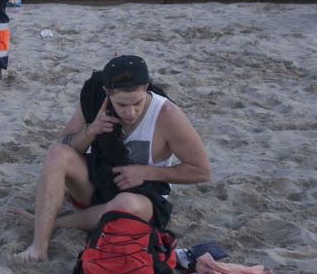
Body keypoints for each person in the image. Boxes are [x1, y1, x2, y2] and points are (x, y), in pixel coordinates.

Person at [12, 55, 211, 262]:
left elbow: (201, 170)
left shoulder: (167, 114)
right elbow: (62, 143)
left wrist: (146, 172)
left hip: (143, 197)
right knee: (56, 153)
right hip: (101, 180)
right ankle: (39, 247)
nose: (131, 112)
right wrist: (90, 131)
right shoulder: (95, 99)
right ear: (107, 93)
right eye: (122, 105)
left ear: (147, 88)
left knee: (125, 205)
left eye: (137, 103)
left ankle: (53, 223)